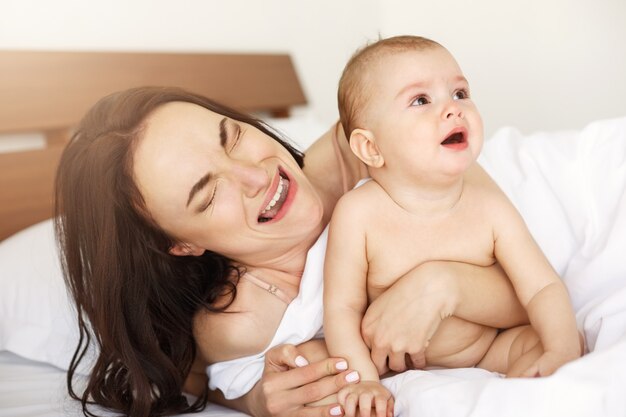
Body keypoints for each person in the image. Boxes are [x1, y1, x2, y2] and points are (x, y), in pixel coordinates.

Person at [55, 86, 530, 417]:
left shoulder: (362, 149)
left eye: (233, 136)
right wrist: (256, 401)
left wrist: (442, 285)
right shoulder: (239, 319)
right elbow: (188, 375)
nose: (255, 175)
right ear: (181, 244)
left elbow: (536, 287)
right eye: (208, 194)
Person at [324, 35, 582, 417]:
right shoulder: (357, 214)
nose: (453, 109)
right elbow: (342, 308)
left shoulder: (490, 208)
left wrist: (560, 349)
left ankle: (518, 399)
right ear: (371, 149)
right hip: (391, 365)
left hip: (486, 351)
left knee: (552, 341)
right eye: (421, 100)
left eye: (460, 93)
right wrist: (364, 379)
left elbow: (541, 287)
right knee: (321, 366)